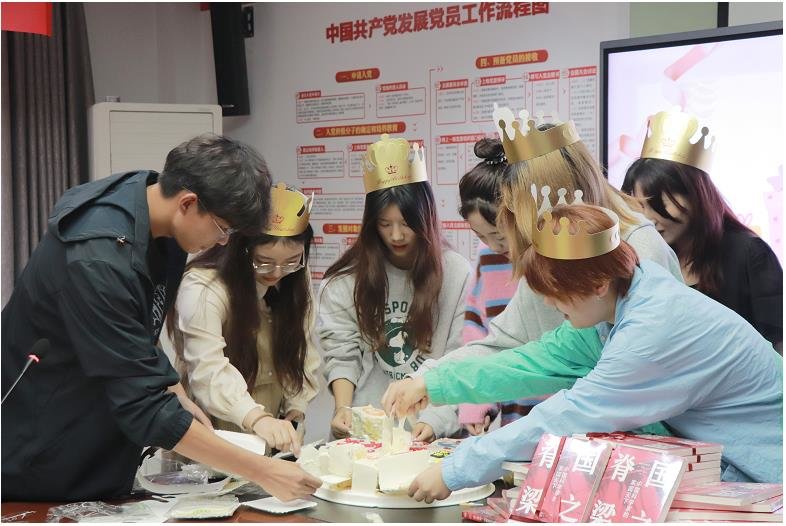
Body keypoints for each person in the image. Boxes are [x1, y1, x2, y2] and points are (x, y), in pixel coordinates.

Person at [389, 202, 783, 503]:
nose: (550, 304)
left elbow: (570, 414)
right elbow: (535, 361)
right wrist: (434, 384)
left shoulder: (650, 330)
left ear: (597, 285)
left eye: (555, 295)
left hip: (766, 475)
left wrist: (458, 468)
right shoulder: (624, 300)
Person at [1, 135, 322, 501]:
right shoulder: (98, 259)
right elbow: (143, 405)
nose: (223, 242)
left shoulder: (156, 211)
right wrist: (263, 471)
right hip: (42, 445)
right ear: (188, 203)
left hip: (96, 433)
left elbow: (138, 332)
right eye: (223, 228)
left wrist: (175, 391)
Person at [407, 105, 683, 386]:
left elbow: (638, 377)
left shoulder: (643, 251)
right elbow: (505, 345)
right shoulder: (549, 250)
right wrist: (427, 381)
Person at [318, 134, 471, 442]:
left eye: (406, 223)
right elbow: (341, 352)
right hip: (369, 431)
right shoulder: (347, 278)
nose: (396, 235)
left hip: (437, 431)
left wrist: (434, 422)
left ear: (425, 218)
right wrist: (343, 409)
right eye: (385, 224)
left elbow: (462, 357)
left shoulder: (457, 273)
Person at [161, 184, 321, 455]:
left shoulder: (293, 279)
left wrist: (296, 408)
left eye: (291, 261)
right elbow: (208, 370)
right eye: (264, 262)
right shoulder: (204, 288)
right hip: (211, 429)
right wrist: (257, 418)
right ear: (241, 250)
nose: (276, 273)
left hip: (270, 429)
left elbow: (302, 349)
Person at [621, 109, 782, 351]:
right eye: (639, 206)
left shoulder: (749, 253)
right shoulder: (647, 256)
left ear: (696, 195)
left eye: (659, 203)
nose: (649, 219)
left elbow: (778, 341)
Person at [456, 138, 545, 435]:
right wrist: (476, 401)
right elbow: (477, 332)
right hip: (515, 418)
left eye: (500, 236)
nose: (494, 246)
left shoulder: (552, 257)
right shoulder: (489, 258)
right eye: (481, 237)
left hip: (564, 414)